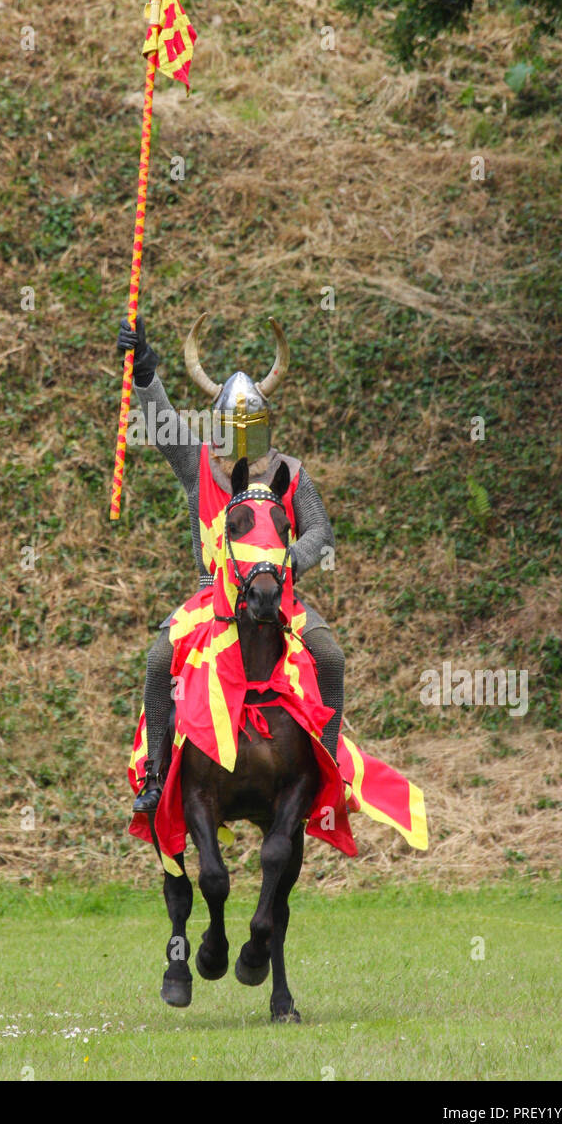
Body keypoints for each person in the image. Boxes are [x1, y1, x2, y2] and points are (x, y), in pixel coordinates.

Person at [117, 313, 345, 812]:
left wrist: (285, 565)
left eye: (250, 426)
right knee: (159, 660)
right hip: (210, 599)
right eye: (231, 427)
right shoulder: (197, 462)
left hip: (277, 598)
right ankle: (155, 776)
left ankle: (329, 774)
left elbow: (320, 532)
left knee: (329, 658)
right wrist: (145, 373)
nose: (240, 438)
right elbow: (162, 425)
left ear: (266, 425)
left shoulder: (289, 473)